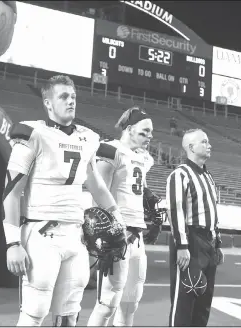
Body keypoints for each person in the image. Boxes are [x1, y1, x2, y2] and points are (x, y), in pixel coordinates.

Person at [2, 74, 126, 327]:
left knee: (70, 314)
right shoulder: (33, 134)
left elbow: (97, 185)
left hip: (75, 235)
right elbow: (12, 191)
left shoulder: (88, 138)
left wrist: (118, 216)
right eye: (63, 96)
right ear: (48, 103)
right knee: (35, 312)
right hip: (41, 231)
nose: (71, 102)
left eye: (73, 97)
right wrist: (12, 242)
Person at [87, 107, 154, 327]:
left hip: (137, 235)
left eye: (150, 132)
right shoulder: (110, 150)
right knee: (108, 302)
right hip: (118, 235)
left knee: (130, 302)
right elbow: (99, 193)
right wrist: (106, 236)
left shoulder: (143, 157)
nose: (149, 137)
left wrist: (153, 201)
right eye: (144, 132)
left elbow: (139, 190)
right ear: (129, 129)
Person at [166, 128, 224, 327]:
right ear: (191, 147)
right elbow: (175, 211)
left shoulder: (208, 176)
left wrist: (217, 243)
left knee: (204, 300)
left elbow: (213, 214)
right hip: (191, 240)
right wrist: (182, 246)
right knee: (185, 299)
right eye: (204, 142)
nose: (209, 145)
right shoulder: (180, 174)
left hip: (208, 241)